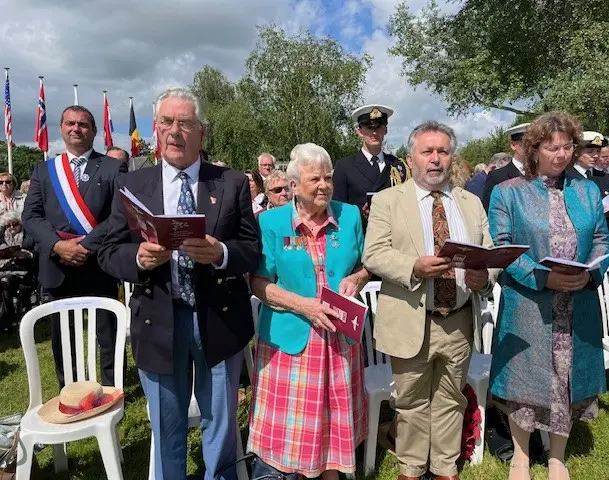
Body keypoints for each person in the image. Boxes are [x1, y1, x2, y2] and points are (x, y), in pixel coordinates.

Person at [98, 87, 260, 480]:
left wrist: (220, 252)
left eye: (185, 123)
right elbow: (108, 251)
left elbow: (252, 249)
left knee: (219, 425)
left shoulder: (232, 182)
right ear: (156, 130)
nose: (175, 131)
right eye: (167, 122)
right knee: (167, 426)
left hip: (218, 320)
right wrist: (138, 258)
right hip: (159, 320)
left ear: (201, 133)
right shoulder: (133, 185)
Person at [363, 121, 496, 480]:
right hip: (410, 319)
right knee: (410, 403)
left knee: (452, 400)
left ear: (452, 157)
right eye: (428, 151)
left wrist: (485, 276)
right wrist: (415, 267)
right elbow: (373, 254)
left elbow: (489, 253)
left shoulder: (470, 203)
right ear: (411, 158)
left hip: (458, 320)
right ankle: (411, 468)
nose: (436, 159)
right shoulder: (388, 201)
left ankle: (445, 469)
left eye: (443, 151)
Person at [488, 111, 609, 480]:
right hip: (530, 303)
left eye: (567, 146)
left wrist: (592, 272)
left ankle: (558, 456)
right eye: (551, 147)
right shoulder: (508, 192)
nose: (561, 154)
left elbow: (603, 239)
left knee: (566, 380)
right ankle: (522, 456)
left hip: (578, 302)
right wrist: (544, 279)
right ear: (534, 149)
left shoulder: (587, 190)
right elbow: (503, 246)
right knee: (523, 382)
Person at [248, 143, 370, 479]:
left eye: (328, 178)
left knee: (334, 422)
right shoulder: (272, 223)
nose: (323, 186)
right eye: (314, 179)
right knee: (295, 430)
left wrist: (356, 280)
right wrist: (304, 305)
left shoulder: (348, 216)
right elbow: (259, 283)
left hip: (339, 340)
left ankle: (332, 474)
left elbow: (366, 265)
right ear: (294, 186)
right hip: (292, 339)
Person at [22, 105, 128, 389]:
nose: (76, 128)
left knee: (107, 332)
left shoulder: (112, 166)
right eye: (70, 123)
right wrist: (58, 246)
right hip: (57, 264)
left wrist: (86, 246)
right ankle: (69, 390)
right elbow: (30, 217)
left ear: (93, 131)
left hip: (98, 262)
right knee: (63, 334)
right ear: (61, 128)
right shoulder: (44, 170)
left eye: (83, 124)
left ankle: (112, 387)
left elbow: (119, 214)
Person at [333, 104, 410, 225]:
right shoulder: (344, 167)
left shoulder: (397, 165)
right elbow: (338, 208)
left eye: (379, 127)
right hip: (361, 235)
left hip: (394, 235)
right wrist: (362, 213)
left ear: (385, 130)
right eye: (369, 127)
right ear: (360, 131)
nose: (374, 132)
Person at [0, 211, 35, 333]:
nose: (11, 228)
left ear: (19, 224)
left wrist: (27, 254)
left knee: (5, 282)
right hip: (5, 269)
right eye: (7, 226)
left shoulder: (28, 236)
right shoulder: (2, 237)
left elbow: (38, 252)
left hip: (24, 271)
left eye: (14, 224)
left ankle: (7, 320)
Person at [482, 123, 530, 210]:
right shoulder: (497, 177)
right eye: (526, 143)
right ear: (513, 145)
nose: (531, 148)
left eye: (535, 144)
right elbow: (489, 211)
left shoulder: (542, 173)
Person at [565, 131, 609, 197]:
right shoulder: (566, 176)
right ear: (576, 152)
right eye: (590, 151)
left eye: (598, 151)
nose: (596, 155)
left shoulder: (605, 178)